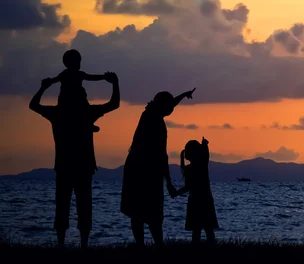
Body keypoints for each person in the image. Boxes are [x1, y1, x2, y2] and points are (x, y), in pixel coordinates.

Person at [29, 72, 120, 248]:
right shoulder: (87, 112)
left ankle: (61, 244)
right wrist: (115, 83)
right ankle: (83, 245)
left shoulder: (57, 113)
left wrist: (43, 87)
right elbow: (114, 104)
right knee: (84, 206)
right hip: (83, 166)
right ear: (82, 97)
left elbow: (33, 105)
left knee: (62, 205)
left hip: (64, 166)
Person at [120, 88, 196, 247]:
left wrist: (183, 95)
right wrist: (168, 182)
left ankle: (144, 245)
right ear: (163, 107)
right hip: (145, 170)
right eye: (169, 108)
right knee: (150, 211)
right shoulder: (155, 121)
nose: (171, 111)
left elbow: (170, 104)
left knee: (137, 211)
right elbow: (162, 155)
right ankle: (158, 245)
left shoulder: (149, 113)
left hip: (136, 168)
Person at [49, 49, 108, 132]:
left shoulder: (78, 74)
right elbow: (55, 79)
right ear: (69, 63)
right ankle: (87, 123)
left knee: (83, 100)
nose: (78, 64)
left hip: (72, 99)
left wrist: (103, 77)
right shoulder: (65, 74)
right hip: (67, 99)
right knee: (81, 98)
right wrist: (49, 81)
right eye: (77, 62)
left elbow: (91, 77)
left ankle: (87, 122)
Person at [175, 138, 218, 244]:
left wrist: (176, 193)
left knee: (197, 230)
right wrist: (204, 146)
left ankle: (195, 252)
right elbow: (205, 156)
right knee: (207, 230)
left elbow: (187, 187)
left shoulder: (192, 168)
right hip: (205, 200)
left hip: (195, 201)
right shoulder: (201, 166)